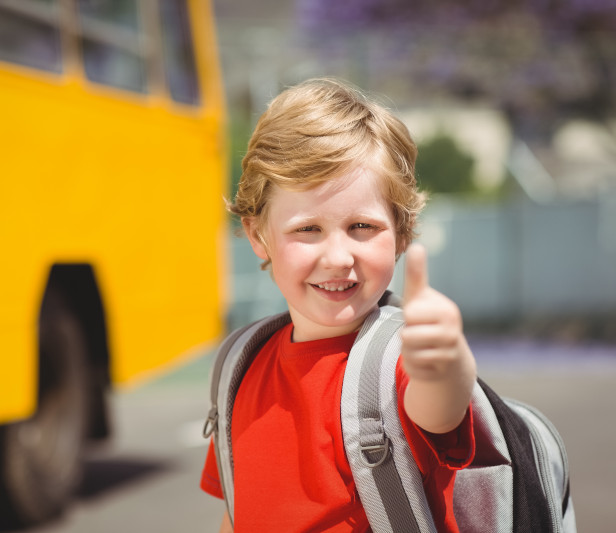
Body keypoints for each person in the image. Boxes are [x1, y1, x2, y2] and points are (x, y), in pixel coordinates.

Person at [200, 78, 478, 533]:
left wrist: (448, 363)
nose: (336, 257)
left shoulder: (399, 363)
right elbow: (238, 513)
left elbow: (441, 407)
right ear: (257, 237)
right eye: (307, 229)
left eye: (362, 226)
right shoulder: (238, 368)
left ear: (402, 234)